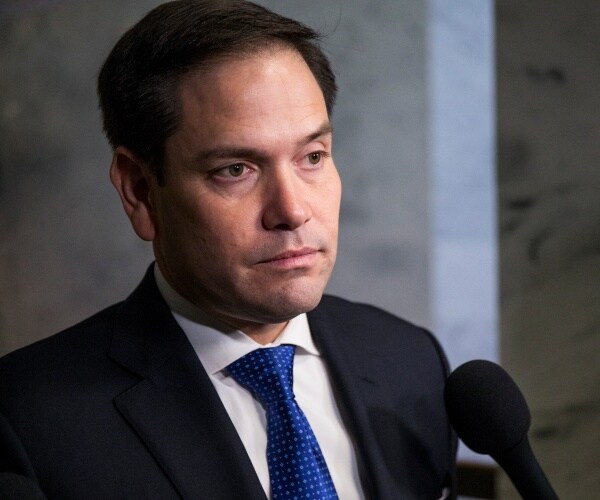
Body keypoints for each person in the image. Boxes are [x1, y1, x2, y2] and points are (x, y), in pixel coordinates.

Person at [0, 1, 456, 498]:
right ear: (139, 190)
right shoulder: (25, 418)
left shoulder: (413, 362)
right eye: (235, 169)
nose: (292, 210)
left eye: (313, 156)